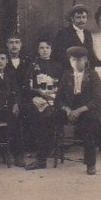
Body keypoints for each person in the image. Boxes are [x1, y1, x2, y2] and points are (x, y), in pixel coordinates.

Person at [54, 46, 101, 175]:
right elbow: (58, 99)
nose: (76, 63)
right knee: (50, 117)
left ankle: (90, 163)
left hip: (87, 109)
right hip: (70, 109)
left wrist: (78, 111)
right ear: (70, 61)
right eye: (73, 60)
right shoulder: (66, 75)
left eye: (79, 60)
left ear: (85, 60)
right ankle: (42, 158)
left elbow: (98, 100)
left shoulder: (93, 75)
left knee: (89, 125)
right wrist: (67, 109)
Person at [23, 38, 64, 170]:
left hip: (55, 98)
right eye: (41, 48)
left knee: (50, 115)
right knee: (42, 116)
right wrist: (41, 93)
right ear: (38, 50)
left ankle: (46, 151)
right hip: (38, 98)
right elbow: (28, 85)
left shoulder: (57, 65)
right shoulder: (33, 65)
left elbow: (63, 85)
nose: (44, 50)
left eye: (47, 47)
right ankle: (41, 158)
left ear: (51, 50)